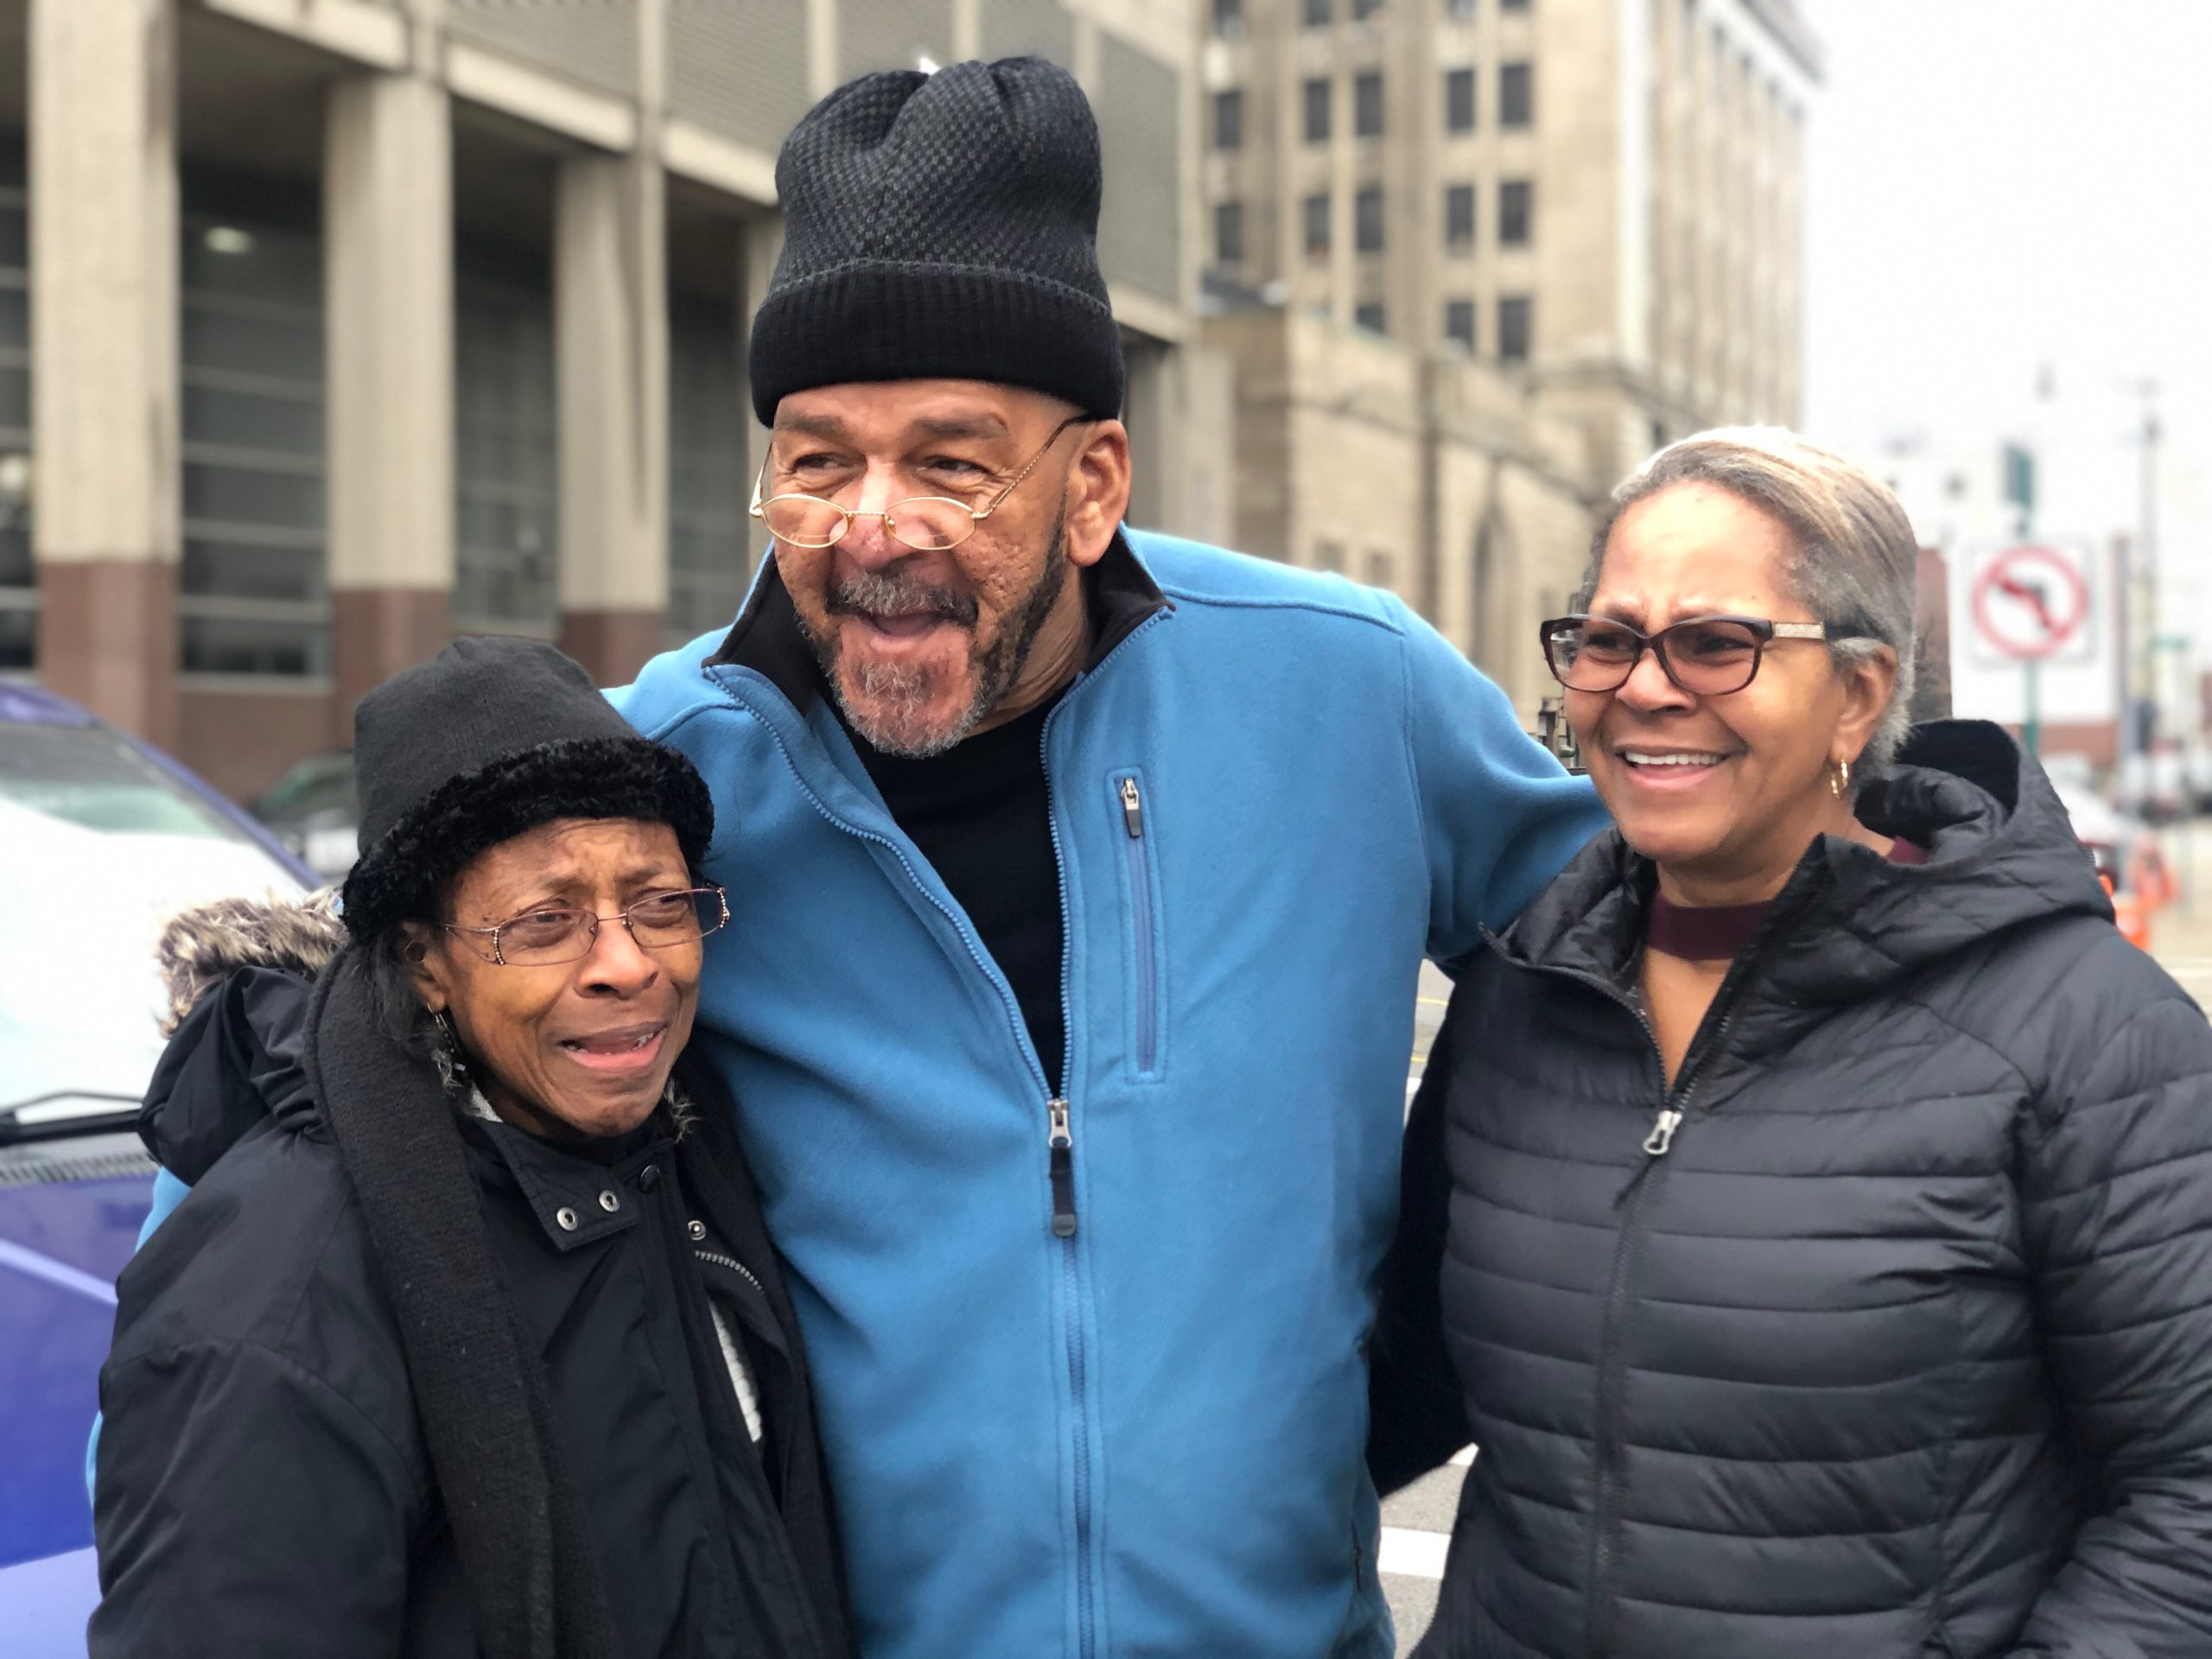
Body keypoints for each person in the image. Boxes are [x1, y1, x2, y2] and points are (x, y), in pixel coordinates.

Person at [114, 56, 1606, 1657]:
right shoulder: (662, 769)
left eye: (951, 463)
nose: (872, 527)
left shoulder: (1349, 687)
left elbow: (1643, 955)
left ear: (1094, 481)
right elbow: (357, 1062)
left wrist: (1431, 1351)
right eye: (818, 463)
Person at [1368, 429, 2212, 1657]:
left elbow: (2190, 1498)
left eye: (1719, 643)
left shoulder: (2086, 1032)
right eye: (1609, 638)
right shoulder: (1523, 989)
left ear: (1860, 696)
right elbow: (1407, 1384)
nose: (1646, 685)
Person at [92, 638, 850, 1657]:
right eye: (545, 922)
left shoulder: (680, 1165)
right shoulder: (282, 1295)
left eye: (660, 904)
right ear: (423, 963)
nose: (627, 964)